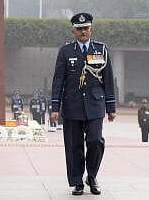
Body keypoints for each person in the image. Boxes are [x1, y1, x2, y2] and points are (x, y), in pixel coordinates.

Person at [50, 12, 116, 196]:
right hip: (72, 106)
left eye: (86, 28)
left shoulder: (101, 50)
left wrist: (111, 108)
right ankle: (77, 181)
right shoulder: (66, 51)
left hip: (95, 105)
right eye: (79, 29)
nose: (83, 32)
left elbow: (108, 80)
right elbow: (58, 81)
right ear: (73, 31)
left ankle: (92, 176)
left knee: (96, 141)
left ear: (91, 29)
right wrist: (55, 108)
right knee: (74, 146)